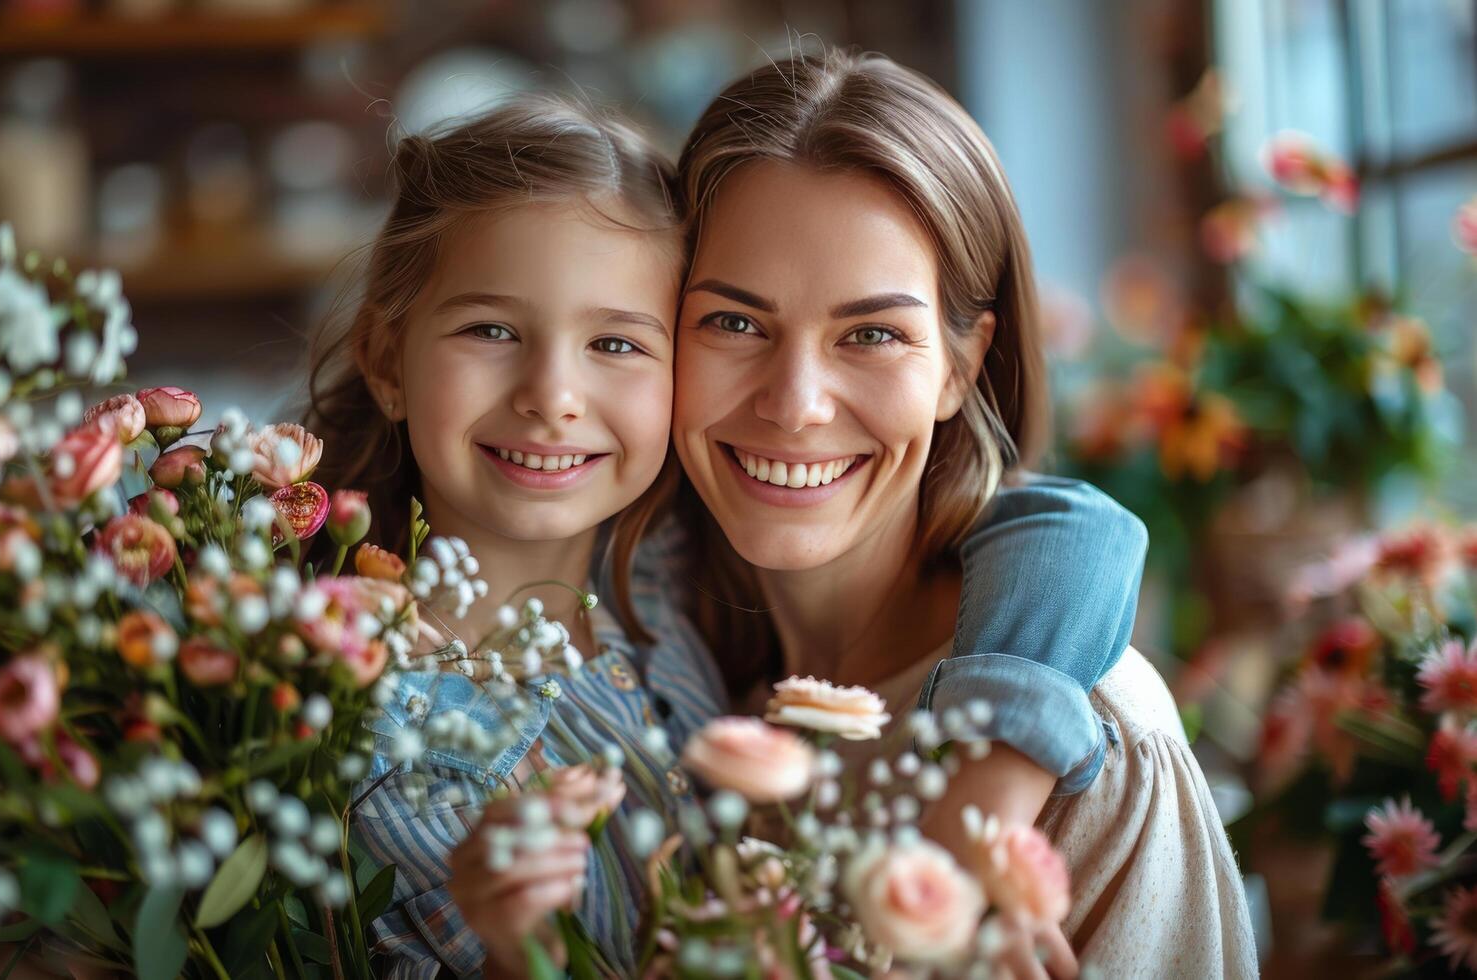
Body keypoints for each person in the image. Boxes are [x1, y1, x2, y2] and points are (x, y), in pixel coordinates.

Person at [306, 91, 1146, 978]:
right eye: (490, 330)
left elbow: (1077, 529)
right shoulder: (386, 736)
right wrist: (526, 951)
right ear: (387, 360)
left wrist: (977, 803)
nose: (551, 396)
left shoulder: (662, 553)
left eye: (618, 344)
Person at [664, 48, 1259, 976]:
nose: (794, 403)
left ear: (962, 364)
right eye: (734, 322)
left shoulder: (1091, 743)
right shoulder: (675, 691)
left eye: (871, 335)